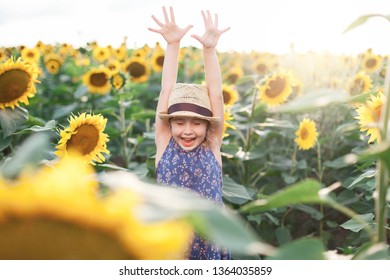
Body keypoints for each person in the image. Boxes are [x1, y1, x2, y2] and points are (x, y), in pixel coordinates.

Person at [149, 6, 231, 260]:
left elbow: (215, 93)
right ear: (169, 124)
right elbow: (167, 89)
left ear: (209, 126)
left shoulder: (212, 145)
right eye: (179, 122)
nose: (187, 131)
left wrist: (209, 50)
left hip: (210, 242)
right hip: (173, 243)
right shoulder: (165, 144)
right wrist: (173, 45)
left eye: (196, 123)